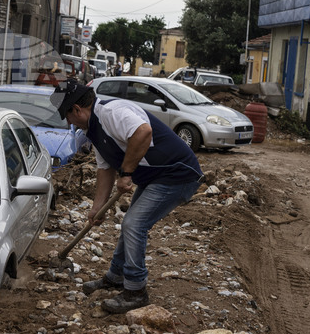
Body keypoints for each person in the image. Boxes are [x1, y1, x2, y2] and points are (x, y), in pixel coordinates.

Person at [53, 77, 203, 314]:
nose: (70, 122)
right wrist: (97, 207)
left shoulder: (112, 112)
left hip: (177, 174)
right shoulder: (93, 130)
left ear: (77, 109)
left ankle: (136, 291)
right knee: (131, 224)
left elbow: (143, 132)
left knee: (134, 224)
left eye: (68, 116)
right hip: (155, 177)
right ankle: (116, 276)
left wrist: (127, 173)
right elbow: (105, 169)